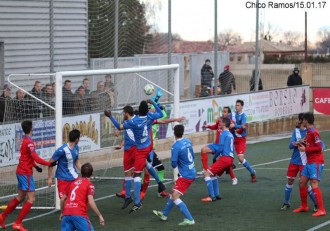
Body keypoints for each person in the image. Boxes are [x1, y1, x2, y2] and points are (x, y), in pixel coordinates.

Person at [105, 99, 163, 213]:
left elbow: (121, 127)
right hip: (141, 148)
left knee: (136, 174)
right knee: (140, 168)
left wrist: (110, 116)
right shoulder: (147, 117)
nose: (123, 115)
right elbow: (160, 114)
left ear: (127, 113)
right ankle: (129, 196)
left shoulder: (133, 122)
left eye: (123, 113)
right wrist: (153, 102)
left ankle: (136, 200)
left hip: (135, 149)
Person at [0, 120, 56, 231]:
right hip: (25, 173)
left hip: (21, 171)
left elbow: (27, 157)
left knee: (20, 197)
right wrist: (49, 163)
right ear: (31, 129)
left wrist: (35, 167)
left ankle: (2, 216)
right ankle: (18, 223)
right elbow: (35, 157)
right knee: (31, 198)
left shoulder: (25, 140)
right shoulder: (29, 142)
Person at [153, 124, 196, 226]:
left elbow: (173, 164)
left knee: (175, 196)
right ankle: (164, 214)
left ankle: (190, 219)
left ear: (174, 133)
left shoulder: (175, 146)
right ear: (183, 132)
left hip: (186, 175)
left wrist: (176, 159)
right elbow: (193, 156)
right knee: (173, 192)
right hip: (191, 171)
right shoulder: (188, 141)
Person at [281, 113, 317, 211]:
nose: (296, 121)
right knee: (289, 181)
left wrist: (303, 143)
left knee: (305, 184)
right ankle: (286, 202)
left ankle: (316, 203)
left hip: (304, 162)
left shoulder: (309, 132)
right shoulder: (296, 131)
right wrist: (297, 142)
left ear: (302, 120)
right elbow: (290, 146)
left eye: (298, 119)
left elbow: (316, 146)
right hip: (294, 161)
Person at [293, 112, 326, 217]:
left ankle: (321, 210)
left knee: (314, 184)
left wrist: (305, 149)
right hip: (309, 162)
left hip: (316, 162)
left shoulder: (314, 132)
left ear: (306, 121)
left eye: (303, 119)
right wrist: (300, 143)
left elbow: (319, 148)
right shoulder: (308, 132)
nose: (301, 121)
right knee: (302, 182)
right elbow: (308, 143)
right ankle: (304, 206)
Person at [200, 106, 237, 189]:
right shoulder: (220, 120)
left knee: (226, 164)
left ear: (228, 113)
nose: (223, 113)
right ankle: (206, 169)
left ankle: (234, 178)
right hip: (217, 145)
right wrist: (208, 126)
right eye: (222, 111)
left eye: (225, 112)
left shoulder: (229, 123)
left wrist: (234, 125)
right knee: (204, 150)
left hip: (223, 147)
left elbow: (236, 127)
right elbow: (215, 126)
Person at [61, 162, 105, 230]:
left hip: (66, 214)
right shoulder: (89, 185)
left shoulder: (72, 183)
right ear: (91, 174)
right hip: (79, 214)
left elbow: (62, 199)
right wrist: (99, 215)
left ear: (81, 172)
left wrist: (62, 212)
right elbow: (91, 202)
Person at [202, 117, 234, 202]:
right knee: (213, 174)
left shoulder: (223, 133)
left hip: (225, 158)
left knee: (206, 174)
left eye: (221, 122)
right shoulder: (230, 134)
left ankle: (211, 197)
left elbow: (220, 148)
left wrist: (214, 155)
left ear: (224, 124)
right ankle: (217, 195)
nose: (219, 123)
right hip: (230, 159)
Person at [47, 129, 82, 202]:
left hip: (74, 177)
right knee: (64, 200)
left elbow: (76, 161)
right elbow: (50, 162)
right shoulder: (62, 150)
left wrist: (83, 172)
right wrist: (50, 178)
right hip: (63, 179)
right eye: (79, 138)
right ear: (77, 139)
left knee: (77, 198)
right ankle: (63, 213)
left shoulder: (76, 148)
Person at [231, 99, 256, 182]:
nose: (236, 107)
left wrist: (234, 125)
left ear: (241, 106)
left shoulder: (243, 116)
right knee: (226, 156)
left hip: (241, 140)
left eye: (238, 105)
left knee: (241, 159)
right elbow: (226, 120)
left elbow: (243, 126)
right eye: (236, 105)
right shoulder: (233, 114)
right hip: (232, 139)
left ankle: (252, 172)